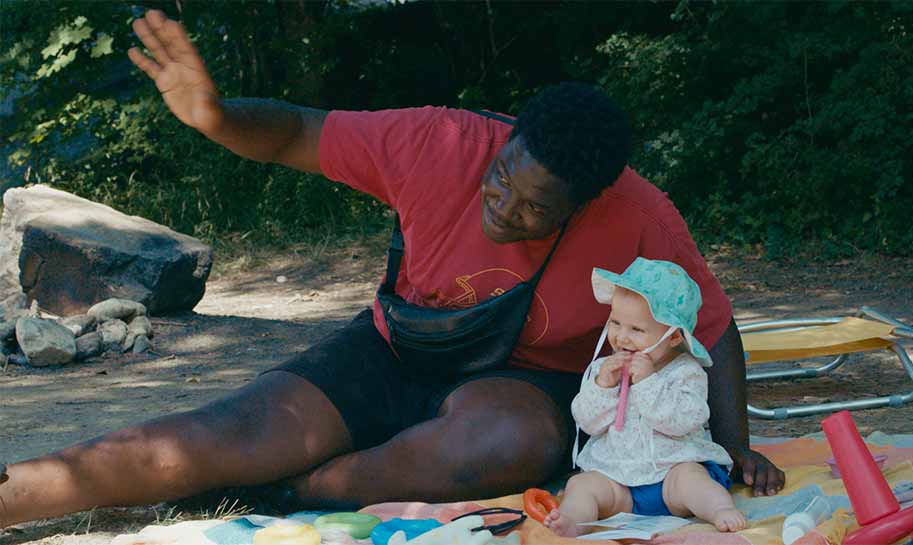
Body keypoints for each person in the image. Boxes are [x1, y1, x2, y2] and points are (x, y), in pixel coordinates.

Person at [0, 9, 783, 528]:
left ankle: (295, 490)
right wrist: (216, 116)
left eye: (534, 208)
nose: (503, 206)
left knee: (504, 440)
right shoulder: (440, 142)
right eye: (503, 175)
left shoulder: (639, 213)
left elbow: (712, 327)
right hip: (394, 346)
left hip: (526, 380)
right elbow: (296, 133)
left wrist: (731, 444)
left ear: (582, 206)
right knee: (219, 434)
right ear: (503, 139)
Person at [543, 258, 747, 537]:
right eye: (615, 323)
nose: (622, 338)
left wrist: (648, 382)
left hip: (670, 476)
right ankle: (573, 520)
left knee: (691, 480)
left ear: (674, 337)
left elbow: (684, 421)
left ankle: (719, 509)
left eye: (636, 329)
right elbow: (588, 422)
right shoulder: (603, 370)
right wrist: (603, 385)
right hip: (619, 481)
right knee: (583, 485)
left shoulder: (686, 372)